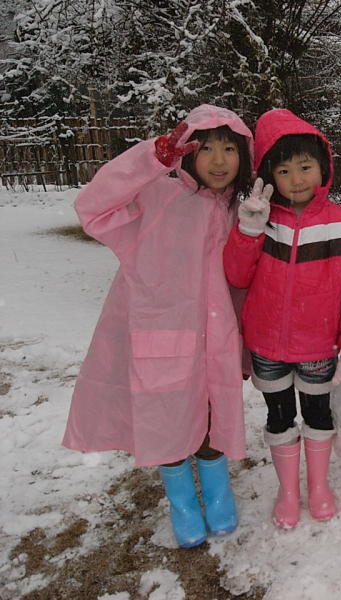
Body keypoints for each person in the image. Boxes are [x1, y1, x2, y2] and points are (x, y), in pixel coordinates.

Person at [62, 104, 255, 548]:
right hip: (162, 337)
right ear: (187, 153)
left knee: (212, 419)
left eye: (230, 148)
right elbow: (93, 207)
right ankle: (183, 502)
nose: (220, 160)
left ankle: (218, 490)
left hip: (218, 340)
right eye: (206, 149)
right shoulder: (158, 197)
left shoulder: (243, 211)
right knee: (168, 423)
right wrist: (151, 159)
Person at [224, 108, 341, 529]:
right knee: (279, 417)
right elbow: (236, 275)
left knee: (319, 415)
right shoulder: (260, 218)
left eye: (305, 166)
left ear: (322, 166)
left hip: (319, 348)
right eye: (285, 170)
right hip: (267, 346)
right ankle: (289, 492)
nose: (297, 178)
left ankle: (319, 487)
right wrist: (248, 232)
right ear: (269, 175)